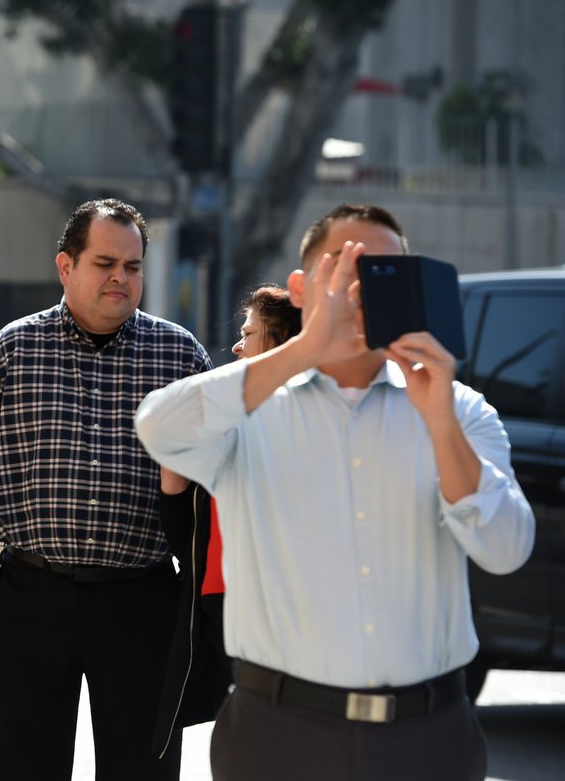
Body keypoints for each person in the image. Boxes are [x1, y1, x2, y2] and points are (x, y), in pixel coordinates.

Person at [136, 203, 535, 781]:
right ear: (302, 289)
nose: (361, 291)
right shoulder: (252, 407)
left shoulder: (460, 409)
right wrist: (305, 347)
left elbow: (506, 549)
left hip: (430, 734)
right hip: (276, 734)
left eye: (383, 272)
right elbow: (158, 427)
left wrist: (439, 420)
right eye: (346, 268)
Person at [0, 198, 212, 780]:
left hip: (143, 600)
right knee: (22, 769)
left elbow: (213, 483)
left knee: (143, 769)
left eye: (133, 266)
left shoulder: (181, 356)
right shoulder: (11, 350)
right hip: (26, 597)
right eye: (105, 263)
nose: (121, 278)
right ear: (65, 266)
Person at [155, 284, 302, 748]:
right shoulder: (228, 414)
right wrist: (173, 477)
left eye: (249, 333)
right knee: (242, 742)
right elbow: (185, 538)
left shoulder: (307, 419)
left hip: (281, 606)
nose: (237, 346)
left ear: (282, 343)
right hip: (218, 601)